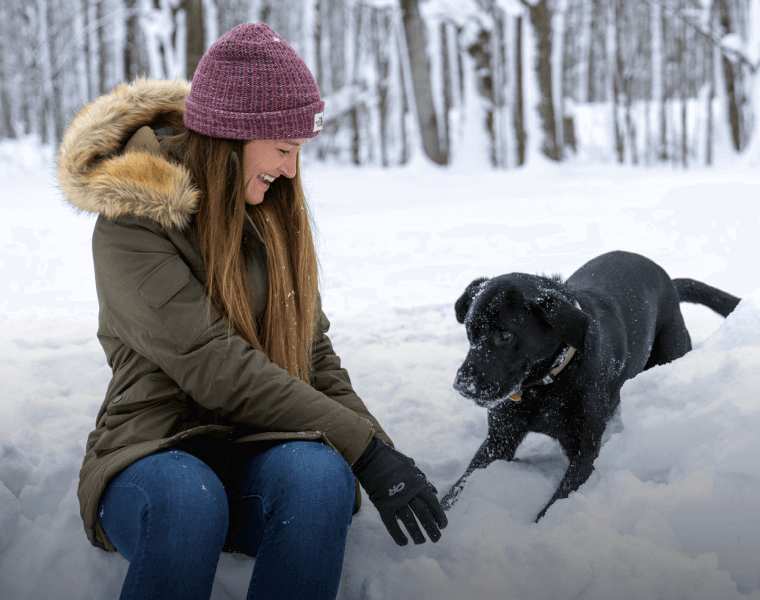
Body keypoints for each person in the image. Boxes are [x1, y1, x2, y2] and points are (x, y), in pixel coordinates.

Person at [57, 23, 446, 600]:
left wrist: (382, 455)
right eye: (284, 149)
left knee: (319, 479)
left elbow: (314, 356)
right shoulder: (133, 220)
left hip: (260, 448)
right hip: (153, 449)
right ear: (233, 136)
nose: (292, 169)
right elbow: (214, 363)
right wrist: (363, 448)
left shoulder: (268, 207)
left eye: (298, 152)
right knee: (190, 502)